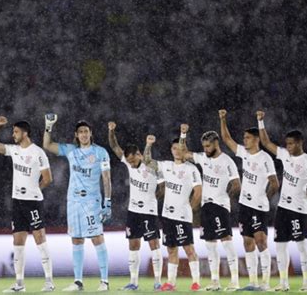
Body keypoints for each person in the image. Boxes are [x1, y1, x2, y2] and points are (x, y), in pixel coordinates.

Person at [43, 114, 112, 291]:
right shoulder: (71, 150)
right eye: (80, 132)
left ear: (91, 133)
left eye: (86, 131)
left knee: (97, 238)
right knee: (76, 239)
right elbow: (47, 145)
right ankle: (78, 281)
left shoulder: (100, 152)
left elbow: (106, 179)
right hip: (73, 201)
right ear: (76, 135)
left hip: (92, 201)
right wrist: (48, 126)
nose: (83, 134)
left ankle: (104, 281)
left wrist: (108, 201)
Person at [0, 116, 55, 292]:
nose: (13, 135)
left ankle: (49, 281)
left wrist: (34, 190)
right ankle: (19, 284)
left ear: (25, 133)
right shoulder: (14, 150)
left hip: (33, 202)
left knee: (40, 239)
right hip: (17, 202)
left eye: (15, 131)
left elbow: (47, 178)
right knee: (18, 242)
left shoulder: (38, 152)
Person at [257, 110, 307, 292]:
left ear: (300, 143)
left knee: (301, 245)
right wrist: (260, 121)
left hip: (298, 209)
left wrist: (305, 195)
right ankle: (284, 282)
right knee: (280, 245)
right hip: (283, 208)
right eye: (287, 144)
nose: (289, 146)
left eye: (291, 144)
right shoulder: (285, 155)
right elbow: (266, 142)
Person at [219, 109, 279, 290]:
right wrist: (223, 119)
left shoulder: (265, 158)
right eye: (244, 138)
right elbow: (227, 140)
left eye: (247, 138)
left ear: (256, 140)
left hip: (258, 206)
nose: (244, 140)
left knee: (261, 241)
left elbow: (274, 183)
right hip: (245, 205)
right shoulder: (244, 153)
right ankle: (253, 282)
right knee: (247, 242)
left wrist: (264, 198)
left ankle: (265, 283)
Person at [180, 124, 241, 291]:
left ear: (216, 143)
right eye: (204, 146)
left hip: (220, 206)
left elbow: (236, 184)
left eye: (208, 146)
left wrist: (225, 196)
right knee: (210, 244)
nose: (205, 149)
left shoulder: (227, 161)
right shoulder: (203, 158)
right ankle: (215, 281)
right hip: (206, 206)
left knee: (226, 241)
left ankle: (234, 280)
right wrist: (183, 134)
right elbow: (184, 153)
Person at [108, 122, 163, 291]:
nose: (131, 164)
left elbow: (162, 187)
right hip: (133, 211)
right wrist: (111, 131)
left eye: (133, 160)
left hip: (149, 211)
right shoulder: (128, 162)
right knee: (133, 244)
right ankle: (133, 282)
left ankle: (158, 281)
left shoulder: (153, 166)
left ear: (139, 154)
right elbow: (115, 146)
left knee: (153, 243)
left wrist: (154, 198)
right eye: (129, 161)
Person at [144, 132, 202, 292]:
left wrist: (190, 208)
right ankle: (171, 282)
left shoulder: (192, 169)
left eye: (180, 148)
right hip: (167, 215)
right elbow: (147, 161)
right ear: (171, 150)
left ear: (185, 149)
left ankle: (196, 282)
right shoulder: (166, 166)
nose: (177, 151)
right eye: (174, 148)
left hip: (182, 215)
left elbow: (198, 192)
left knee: (188, 248)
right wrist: (148, 145)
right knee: (171, 249)